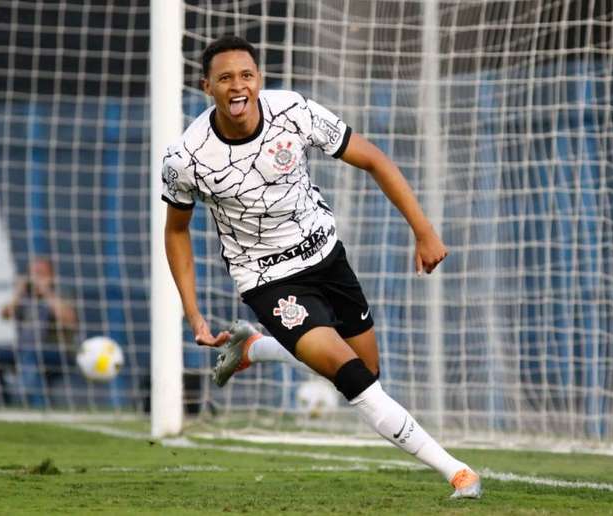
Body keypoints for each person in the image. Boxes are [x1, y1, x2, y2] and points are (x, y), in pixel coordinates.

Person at [161, 35, 481, 499]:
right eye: (226, 77)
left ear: (259, 80)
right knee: (351, 376)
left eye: (246, 75)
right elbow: (176, 232)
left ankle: (256, 348)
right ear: (206, 85)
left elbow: (372, 158)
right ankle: (459, 472)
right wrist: (192, 312)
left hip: (327, 257)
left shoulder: (293, 111)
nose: (238, 86)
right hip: (267, 278)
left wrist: (424, 231)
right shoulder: (185, 157)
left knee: (367, 371)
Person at [0, 257, 79, 408]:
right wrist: (18, 292)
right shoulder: (25, 297)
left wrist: (46, 292)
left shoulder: (62, 292)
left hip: (56, 352)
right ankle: (2, 402)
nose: (36, 278)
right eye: (32, 273)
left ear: (51, 276)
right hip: (24, 349)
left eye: (40, 273)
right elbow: (5, 314)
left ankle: (32, 403)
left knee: (31, 353)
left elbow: (69, 320)